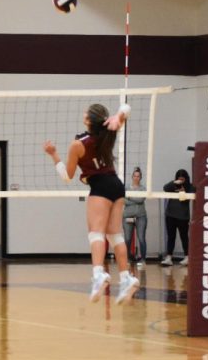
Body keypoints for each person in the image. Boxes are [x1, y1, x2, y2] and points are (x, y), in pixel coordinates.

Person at [44, 102, 139, 303]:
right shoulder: (108, 133)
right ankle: (126, 278)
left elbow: (67, 176)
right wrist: (120, 114)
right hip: (116, 185)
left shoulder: (77, 145)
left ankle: (99, 274)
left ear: (88, 119)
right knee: (115, 235)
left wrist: (54, 155)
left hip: (100, 187)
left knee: (96, 232)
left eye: (85, 112)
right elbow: (127, 108)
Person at [160, 169, 193, 267]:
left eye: (182, 179)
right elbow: (165, 188)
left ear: (186, 179)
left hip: (183, 217)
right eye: (179, 179)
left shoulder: (190, 187)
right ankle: (169, 257)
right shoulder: (173, 185)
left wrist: (183, 191)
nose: (181, 181)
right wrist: (174, 183)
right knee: (171, 236)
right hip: (170, 215)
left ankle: (187, 256)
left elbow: (185, 200)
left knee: (184, 237)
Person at [123, 167, 148, 269]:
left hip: (141, 216)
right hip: (127, 216)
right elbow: (123, 200)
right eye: (135, 176)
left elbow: (141, 199)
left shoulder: (143, 189)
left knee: (141, 238)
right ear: (132, 176)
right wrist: (133, 199)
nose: (136, 177)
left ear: (140, 177)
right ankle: (127, 258)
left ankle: (143, 259)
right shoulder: (126, 188)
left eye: (138, 176)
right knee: (128, 239)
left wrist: (129, 197)